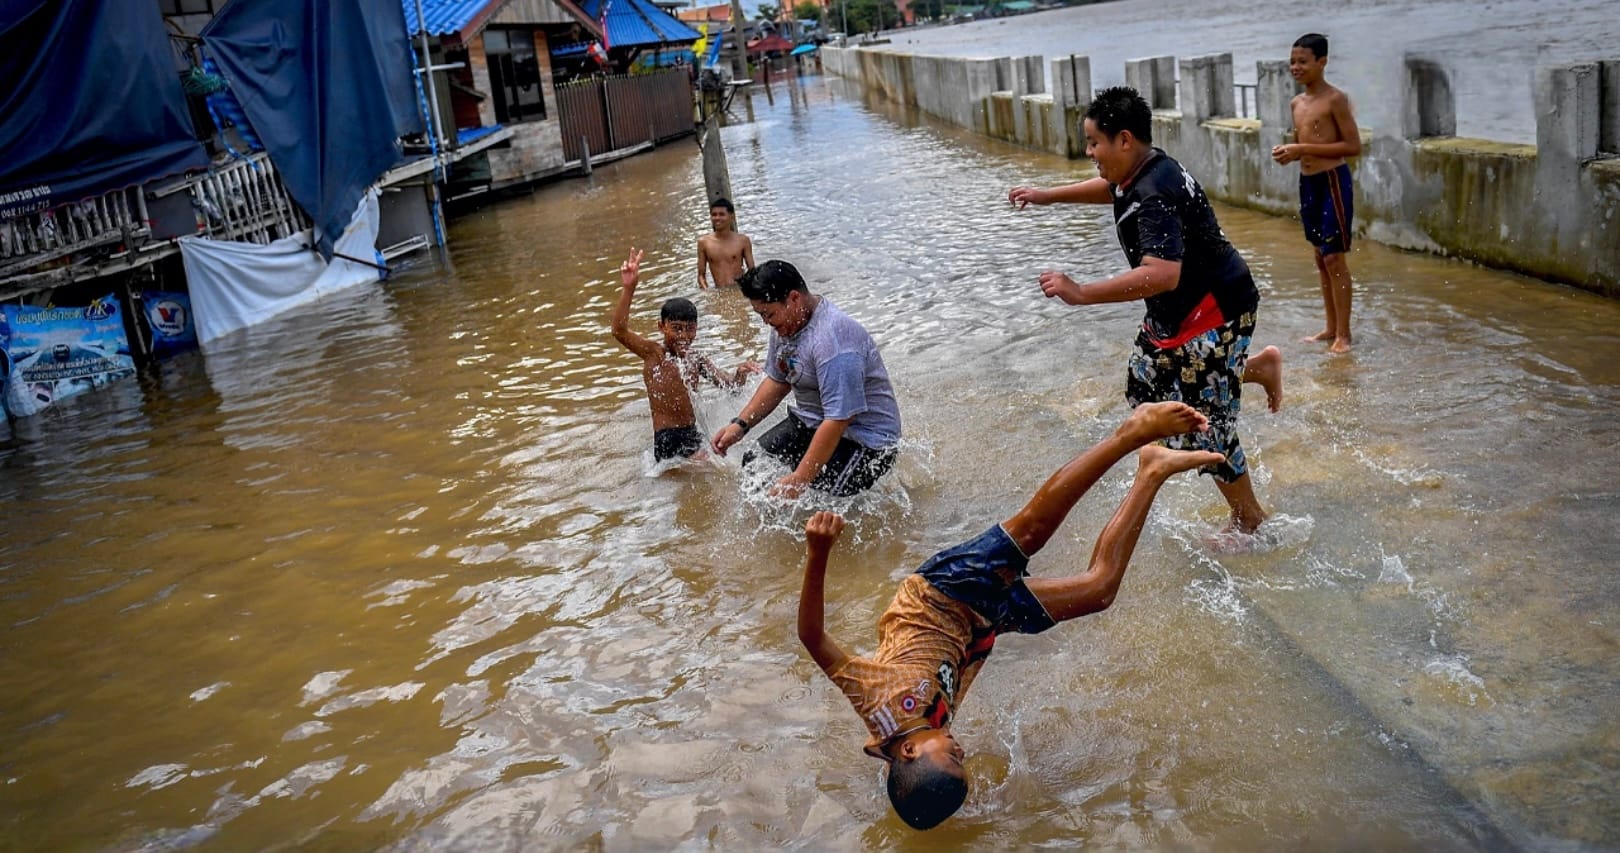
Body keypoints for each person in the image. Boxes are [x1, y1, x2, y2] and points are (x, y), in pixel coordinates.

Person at [798, 402, 1225, 830]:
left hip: (941, 594)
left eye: (951, 756)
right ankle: (1152, 469)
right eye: (961, 760)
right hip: (980, 623)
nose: (960, 750)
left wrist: (818, 553)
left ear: (909, 752)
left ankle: (1131, 434)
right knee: (1099, 591)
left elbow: (813, 637)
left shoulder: (879, 704)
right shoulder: (910, 746)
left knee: (1032, 532)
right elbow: (903, 775)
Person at [1007, 86, 1281, 535]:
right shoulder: (1141, 170)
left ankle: (1248, 517)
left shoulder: (1154, 191)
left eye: (1095, 142)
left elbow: (1162, 273)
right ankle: (1253, 368)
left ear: (1125, 139)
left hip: (1214, 309)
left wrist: (1081, 292)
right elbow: (1111, 189)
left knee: (1205, 423)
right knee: (1144, 386)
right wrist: (1047, 196)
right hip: (1178, 310)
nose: (1089, 151)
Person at [709, 260, 901, 499]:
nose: (766, 322)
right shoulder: (786, 325)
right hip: (814, 421)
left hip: (865, 439)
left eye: (768, 314)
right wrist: (740, 425)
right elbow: (779, 379)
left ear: (794, 298)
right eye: (761, 315)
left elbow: (840, 419)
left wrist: (800, 478)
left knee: (825, 498)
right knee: (755, 462)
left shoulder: (833, 341)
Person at [610, 247, 760, 463]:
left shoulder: (696, 359)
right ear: (661, 327)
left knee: (714, 475)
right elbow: (618, 331)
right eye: (677, 328)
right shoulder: (654, 354)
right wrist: (629, 288)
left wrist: (740, 373)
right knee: (712, 474)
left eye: (690, 329)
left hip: (692, 433)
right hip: (667, 439)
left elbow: (730, 387)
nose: (684, 335)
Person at [1272, 33, 1362, 354]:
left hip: (1333, 182)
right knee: (1320, 257)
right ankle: (1330, 327)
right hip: (1307, 182)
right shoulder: (1296, 103)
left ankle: (1345, 335)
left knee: (1334, 256)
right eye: (1292, 61)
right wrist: (1290, 153)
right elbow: (1304, 147)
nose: (1295, 67)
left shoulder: (1335, 99)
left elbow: (1353, 147)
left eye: (1302, 61)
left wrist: (1301, 148)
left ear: (1322, 62)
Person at [696, 197, 755, 289]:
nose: (717, 218)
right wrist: (707, 294)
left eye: (722, 214)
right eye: (714, 215)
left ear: (732, 216)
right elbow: (701, 276)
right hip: (719, 291)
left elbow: (752, 271)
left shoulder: (743, 241)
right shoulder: (704, 243)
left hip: (739, 289)